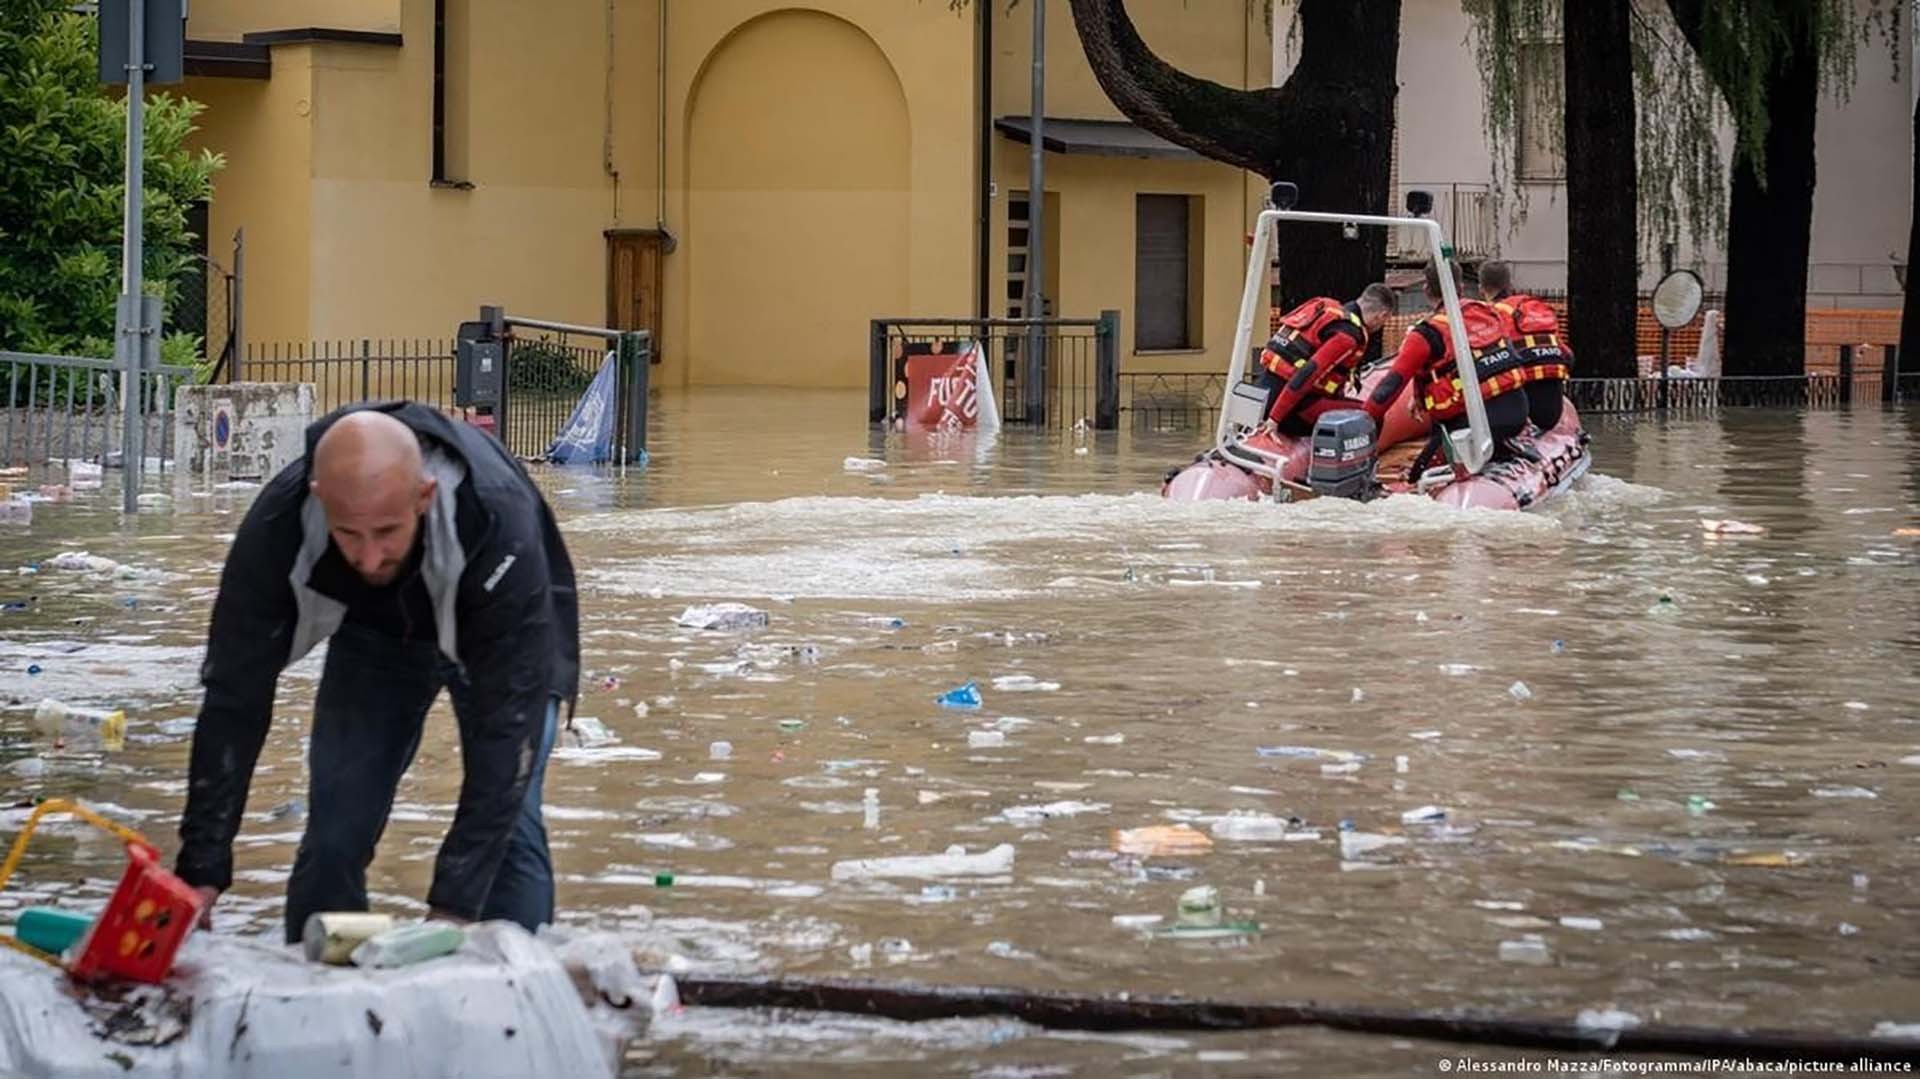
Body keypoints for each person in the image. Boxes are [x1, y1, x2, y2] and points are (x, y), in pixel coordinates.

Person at [175, 403, 580, 944]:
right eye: (349, 534)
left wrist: (453, 911)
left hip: (500, 626)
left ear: (424, 496)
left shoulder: (495, 518)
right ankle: (323, 981)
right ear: (320, 499)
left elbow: (509, 734)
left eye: (387, 531)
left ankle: (515, 992)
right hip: (375, 633)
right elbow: (233, 697)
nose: (368, 557)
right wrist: (200, 871)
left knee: (511, 823)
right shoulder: (279, 525)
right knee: (336, 827)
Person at [1364, 261, 1533, 480]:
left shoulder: (1426, 333)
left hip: (1475, 424)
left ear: (1426, 289)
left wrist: (1364, 422)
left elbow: (1390, 385)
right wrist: (1418, 396)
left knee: (1417, 475)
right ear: (1461, 287)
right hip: (1517, 410)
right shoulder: (1487, 313)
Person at [1256, 284, 1397, 436]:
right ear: (1381, 316)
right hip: (1291, 409)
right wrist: (1274, 419)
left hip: (1263, 393)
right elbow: (1308, 373)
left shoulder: (1326, 308)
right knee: (1372, 417)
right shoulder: (1347, 337)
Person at [1479, 259, 1572, 433]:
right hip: (1553, 410)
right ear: (1509, 285)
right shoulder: (1535, 308)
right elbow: (1568, 356)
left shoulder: (1490, 316)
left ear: (1481, 289)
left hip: (1522, 412)